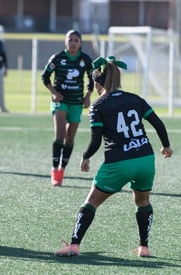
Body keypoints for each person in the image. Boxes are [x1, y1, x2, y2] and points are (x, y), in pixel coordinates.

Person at [54, 56, 173, 257]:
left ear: (97, 82)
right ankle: (144, 247)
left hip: (119, 162)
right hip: (145, 159)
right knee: (143, 202)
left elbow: (96, 140)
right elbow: (158, 123)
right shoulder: (135, 98)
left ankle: (74, 245)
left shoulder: (99, 105)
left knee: (91, 202)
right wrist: (166, 146)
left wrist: (85, 156)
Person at [41, 29, 94, 186]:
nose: (73, 43)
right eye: (70, 40)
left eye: (76, 40)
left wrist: (88, 96)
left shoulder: (85, 59)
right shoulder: (57, 58)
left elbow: (93, 78)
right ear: (65, 42)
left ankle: (62, 168)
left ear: (81, 43)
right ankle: (54, 170)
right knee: (60, 134)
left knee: (70, 138)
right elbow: (45, 76)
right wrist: (54, 92)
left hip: (77, 102)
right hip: (60, 101)